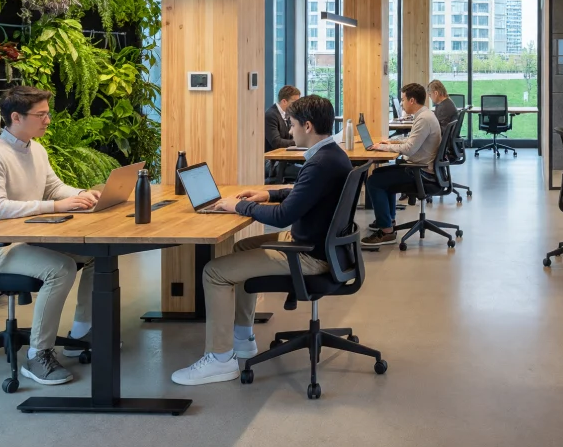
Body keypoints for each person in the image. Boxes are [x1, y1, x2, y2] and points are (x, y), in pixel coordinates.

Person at [171, 94, 352, 386]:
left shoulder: (320, 163)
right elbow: (301, 191)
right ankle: (243, 338)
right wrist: (267, 194)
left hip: (308, 254)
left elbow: (282, 217)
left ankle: (219, 360)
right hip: (322, 246)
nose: (289, 131)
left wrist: (238, 206)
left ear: (307, 126)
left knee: (214, 272)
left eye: (291, 125)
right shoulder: (332, 155)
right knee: (242, 246)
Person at [0, 86, 100, 386]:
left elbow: (54, 187)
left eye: (47, 114)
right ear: (16, 117)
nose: (48, 121)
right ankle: (38, 355)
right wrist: (55, 206)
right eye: (41, 115)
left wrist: (80, 195)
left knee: (96, 253)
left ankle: (81, 332)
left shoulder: (34, 149)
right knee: (61, 268)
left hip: (27, 238)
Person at [361, 82, 443, 247]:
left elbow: (409, 149)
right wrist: (390, 141)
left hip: (421, 172)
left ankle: (386, 232)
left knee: (374, 182)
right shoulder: (424, 115)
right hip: (421, 168)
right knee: (378, 175)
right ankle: (388, 220)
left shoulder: (423, 119)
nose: (401, 103)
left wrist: (382, 147)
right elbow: (413, 141)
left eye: (403, 99)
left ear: (412, 100)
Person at [264, 85, 301, 151]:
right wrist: (300, 142)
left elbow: (290, 137)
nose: (297, 106)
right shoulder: (270, 115)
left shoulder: (288, 114)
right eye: (295, 103)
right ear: (284, 101)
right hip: (272, 159)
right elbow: (276, 142)